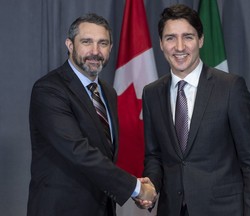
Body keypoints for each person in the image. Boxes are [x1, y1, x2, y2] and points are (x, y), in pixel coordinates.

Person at [139, 4, 250, 216]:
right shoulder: (151, 93)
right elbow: (154, 156)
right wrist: (150, 186)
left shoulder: (230, 88)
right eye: (170, 38)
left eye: (188, 37)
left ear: (201, 40)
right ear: (161, 44)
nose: (179, 47)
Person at [27, 13, 156, 216]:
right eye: (86, 42)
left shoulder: (108, 92)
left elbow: (105, 153)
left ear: (110, 49)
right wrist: (136, 188)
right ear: (70, 45)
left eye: (102, 43)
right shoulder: (49, 89)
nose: (95, 51)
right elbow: (78, 151)